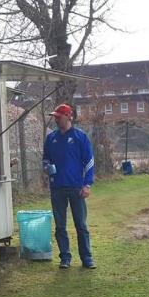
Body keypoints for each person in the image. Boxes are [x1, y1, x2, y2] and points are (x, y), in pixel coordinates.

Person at [42, 103, 97, 269]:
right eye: (55, 117)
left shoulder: (80, 137)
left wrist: (87, 184)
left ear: (69, 116)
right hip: (57, 188)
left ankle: (87, 258)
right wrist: (46, 167)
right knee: (60, 226)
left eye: (59, 116)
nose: (56, 119)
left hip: (76, 188)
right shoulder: (51, 138)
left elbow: (89, 161)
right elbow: (46, 159)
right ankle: (65, 258)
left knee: (81, 224)